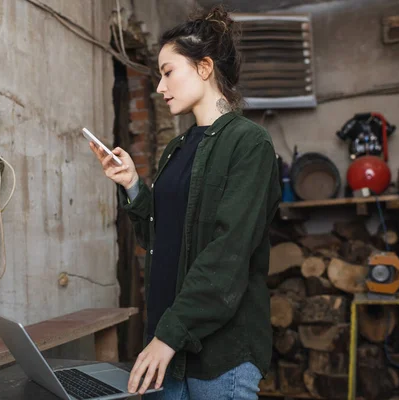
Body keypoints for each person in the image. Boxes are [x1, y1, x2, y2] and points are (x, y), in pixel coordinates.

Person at [90, 5, 281, 400]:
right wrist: (131, 186)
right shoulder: (177, 149)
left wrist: (168, 336)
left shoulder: (249, 144)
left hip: (219, 357)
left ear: (205, 67)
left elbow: (228, 256)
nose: (161, 87)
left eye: (167, 71)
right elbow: (160, 238)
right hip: (165, 349)